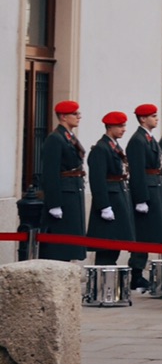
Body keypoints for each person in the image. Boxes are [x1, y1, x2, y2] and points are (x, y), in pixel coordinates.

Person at [37, 100, 89, 261]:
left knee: (72, 238)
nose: (79, 117)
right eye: (75, 114)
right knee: (61, 241)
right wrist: (54, 203)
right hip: (63, 194)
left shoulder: (68, 137)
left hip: (73, 190)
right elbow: (50, 172)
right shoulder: (55, 138)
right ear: (63, 117)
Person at [86, 111, 134, 272]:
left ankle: (109, 277)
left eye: (124, 125)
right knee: (106, 245)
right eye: (120, 126)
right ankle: (102, 278)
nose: (124, 129)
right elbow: (97, 179)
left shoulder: (114, 146)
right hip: (110, 200)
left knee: (115, 244)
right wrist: (104, 205)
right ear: (110, 127)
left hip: (119, 197)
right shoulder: (101, 148)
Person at [125, 104, 162, 291]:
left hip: (155, 186)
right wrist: (141, 198)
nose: (156, 119)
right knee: (143, 234)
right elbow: (137, 171)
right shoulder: (138, 140)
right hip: (147, 190)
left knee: (151, 233)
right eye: (153, 116)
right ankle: (136, 273)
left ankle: (140, 271)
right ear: (143, 119)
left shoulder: (149, 138)